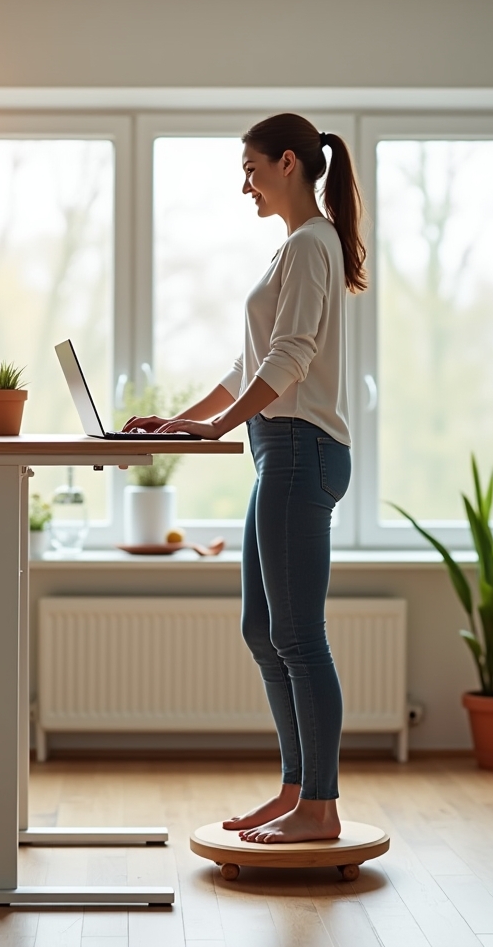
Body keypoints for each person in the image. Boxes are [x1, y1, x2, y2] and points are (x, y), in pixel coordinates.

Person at [125, 113, 367, 844]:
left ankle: (320, 808)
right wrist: (180, 419)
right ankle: (297, 789)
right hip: (279, 451)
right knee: (262, 629)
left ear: (288, 163)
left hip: (299, 450)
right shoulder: (291, 250)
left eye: (251, 168)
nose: (245, 184)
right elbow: (247, 367)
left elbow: (289, 360)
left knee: (298, 635)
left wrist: (219, 427)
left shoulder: (311, 244)